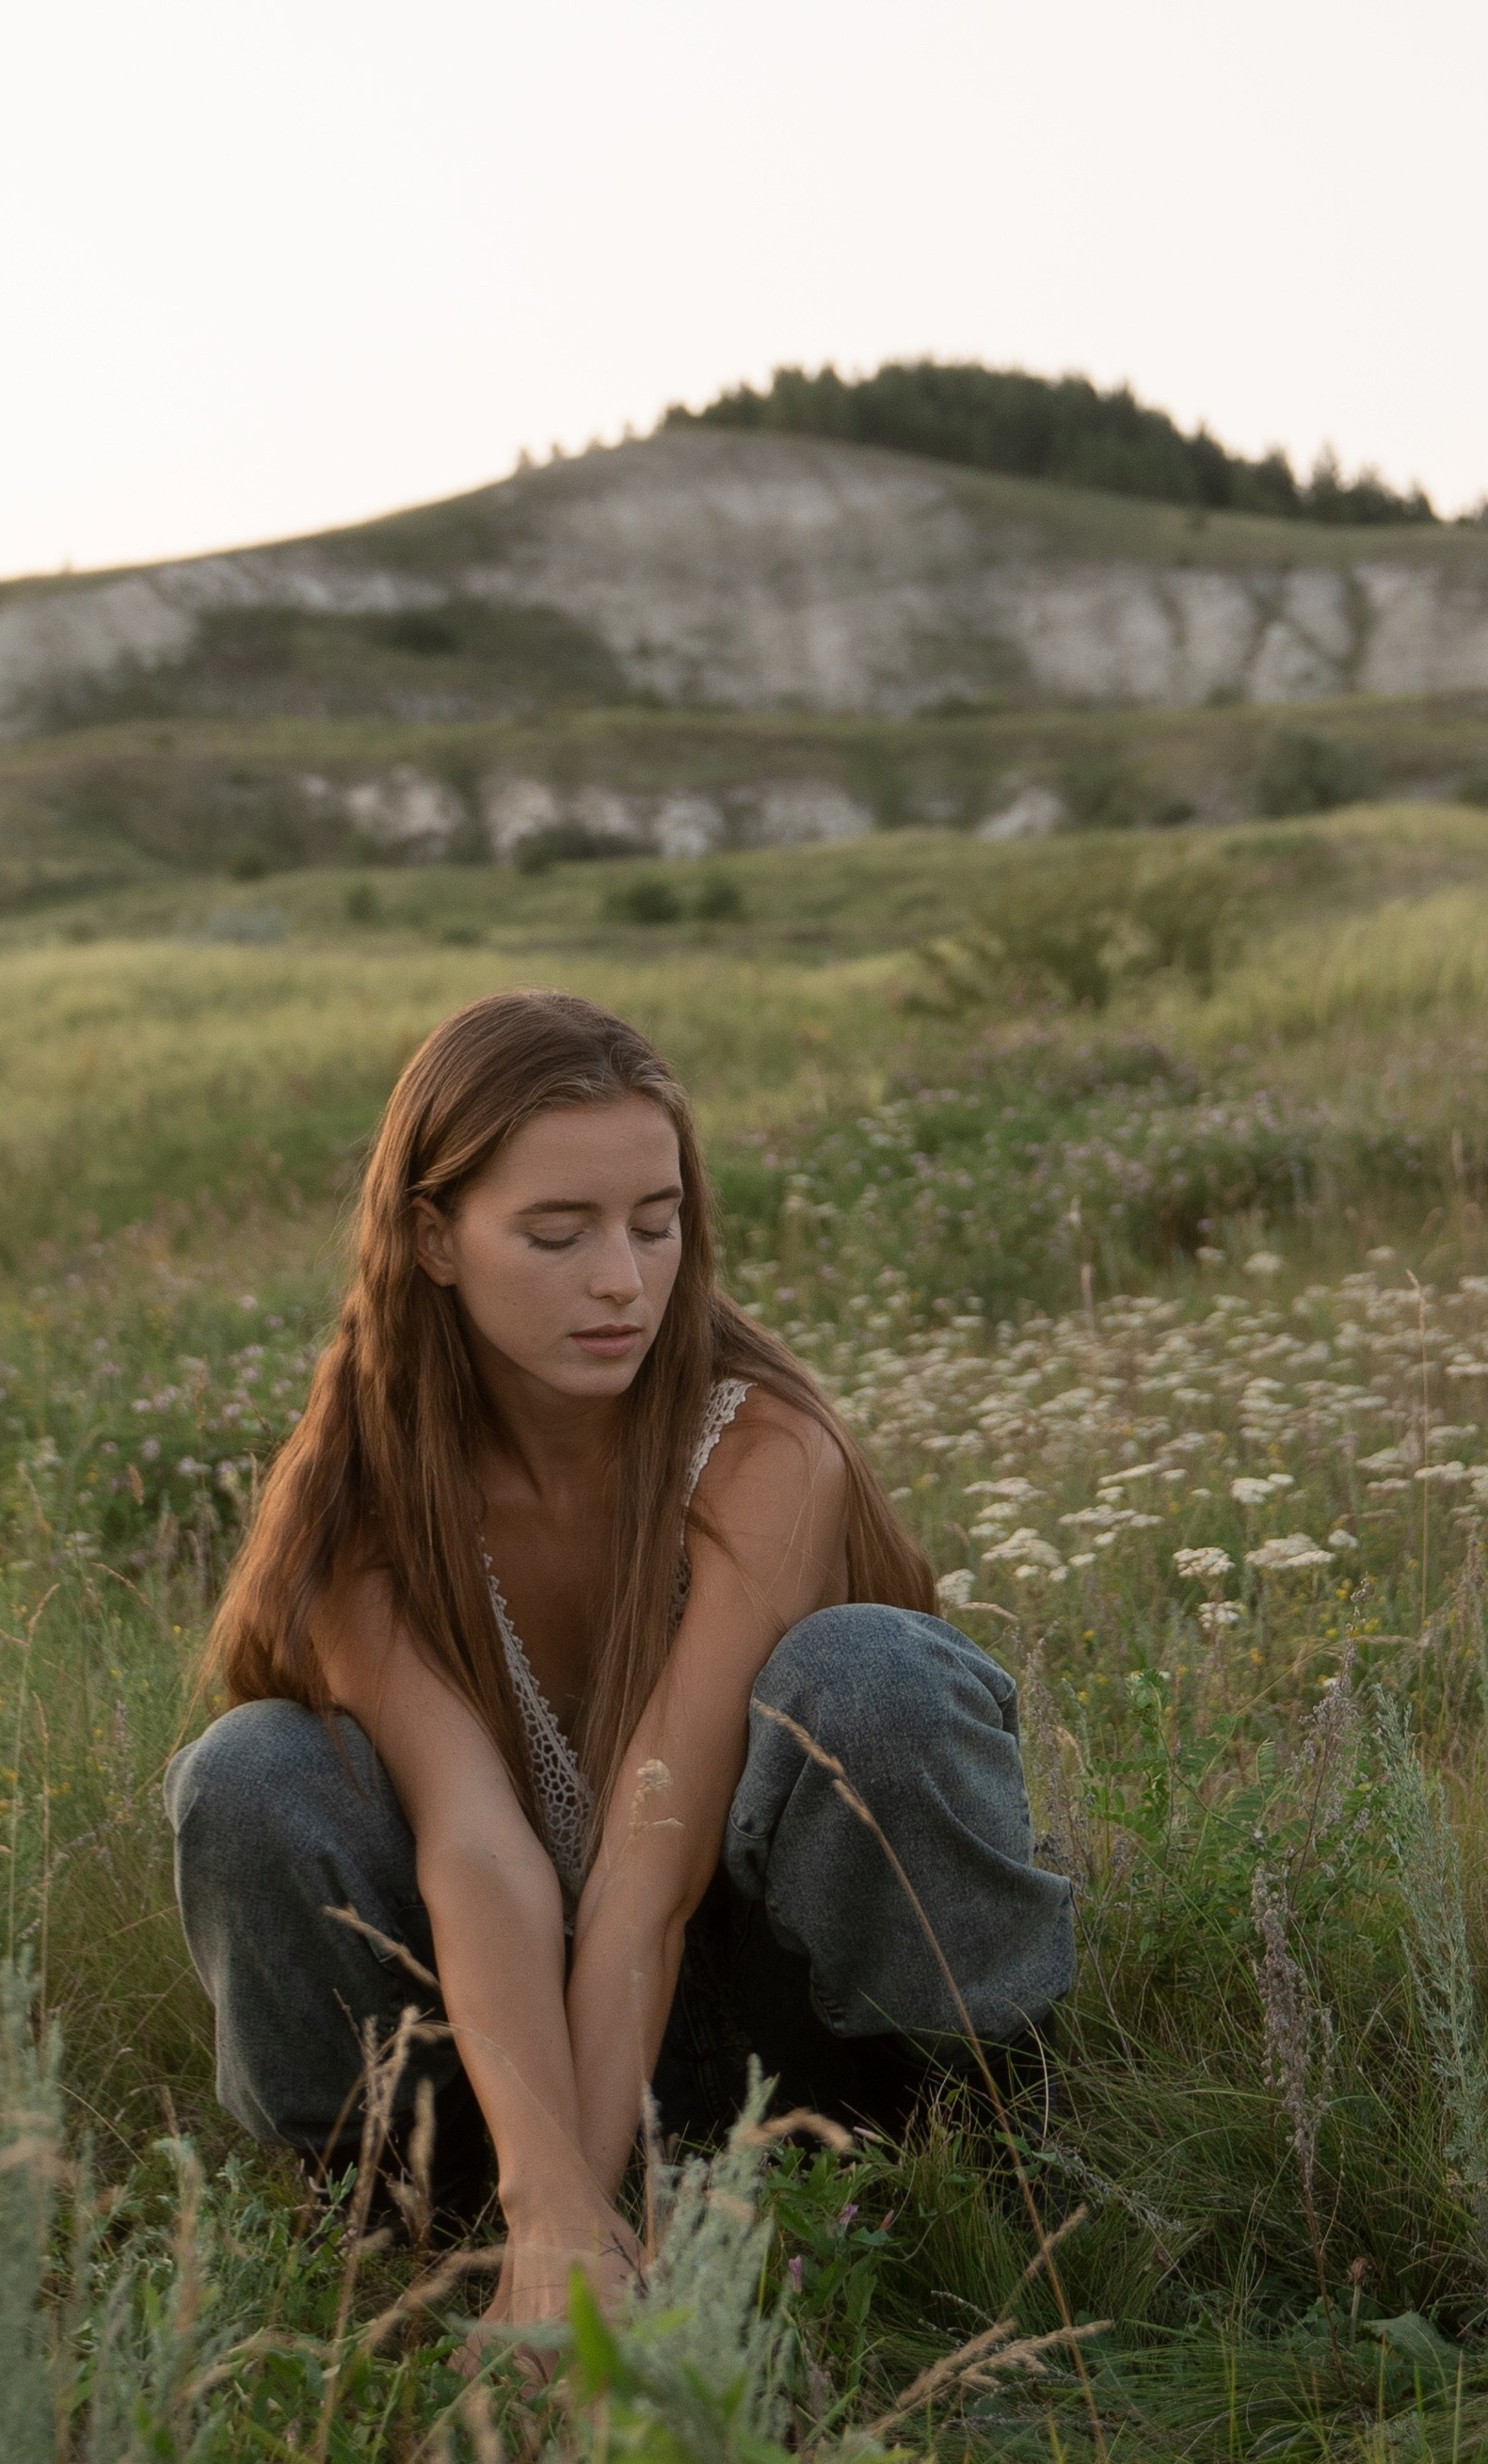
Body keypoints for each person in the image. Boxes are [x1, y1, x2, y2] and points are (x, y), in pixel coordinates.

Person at [165, 988, 1074, 2329]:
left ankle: (981, 2149)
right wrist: (559, 2215)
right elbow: (474, 1849)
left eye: (659, 1226)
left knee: (875, 1673)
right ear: (434, 1239)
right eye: (557, 1233)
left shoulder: (761, 1444)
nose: (623, 1282)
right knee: (250, 1771)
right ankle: (395, 2214)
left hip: (785, 2028)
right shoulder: (356, 1500)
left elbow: (651, 1863)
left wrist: (581, 2221)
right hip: (500, 2049)